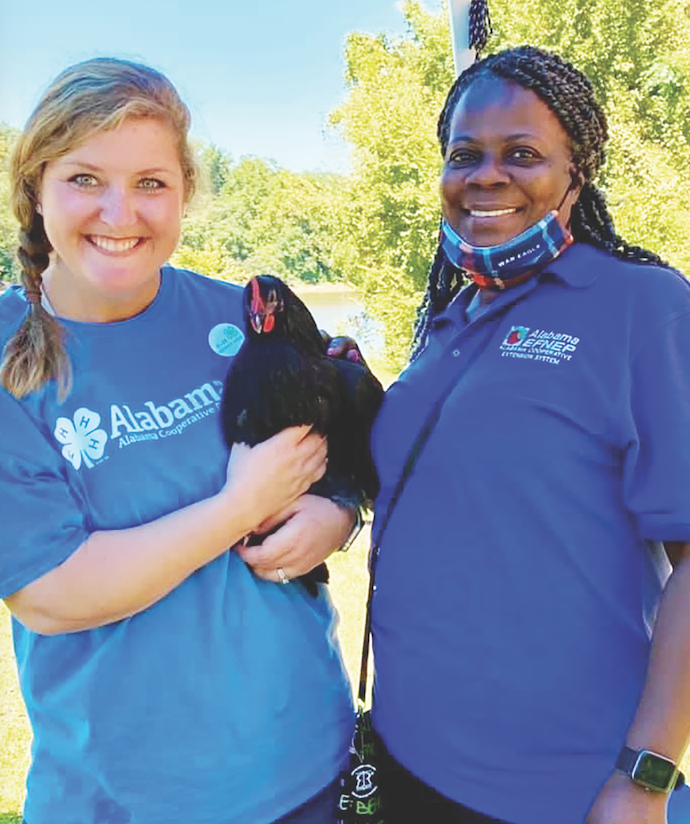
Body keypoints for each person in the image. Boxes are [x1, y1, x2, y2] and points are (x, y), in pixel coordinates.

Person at [0, 58, 361, 824]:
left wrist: (342, 510)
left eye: (151, 183)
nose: (120, 212)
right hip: (127, 798)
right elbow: (54, 594)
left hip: (308, 770)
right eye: (86, 178)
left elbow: (352, 430)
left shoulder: (246, 314)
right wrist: (242, 504)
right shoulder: (10, 360)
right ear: (37, 188)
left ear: (186, 193)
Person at [368, 46, 690, 824]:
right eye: (464, 154)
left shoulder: (642, 306)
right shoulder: (450, 315)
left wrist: (643, 777)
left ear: (576, 175)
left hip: (567, 787)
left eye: (523, 154)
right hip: (408, 758)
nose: (487, 175)